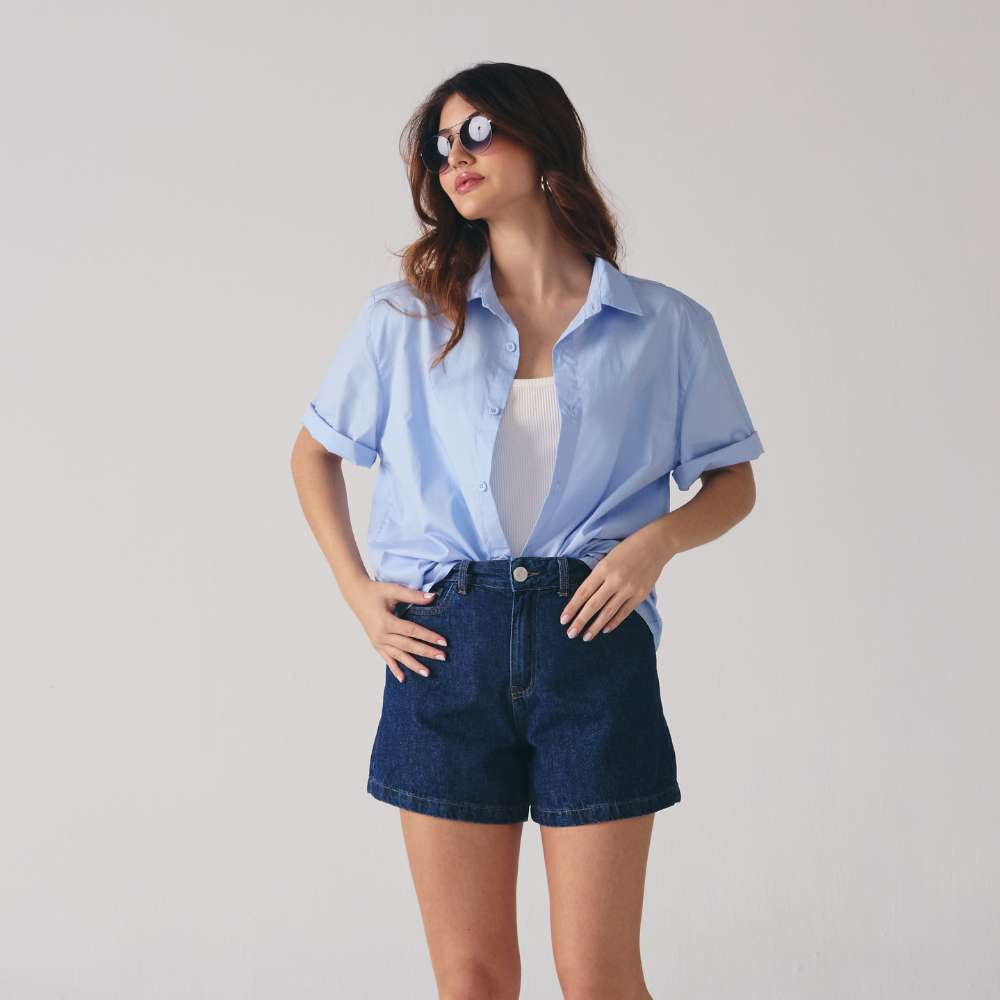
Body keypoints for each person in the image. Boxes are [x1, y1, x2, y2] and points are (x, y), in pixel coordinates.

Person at [291, 61, 764, 1000]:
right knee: (471, 980)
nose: (455, 158)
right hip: (440, 649)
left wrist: (655, 543)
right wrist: (357, 593)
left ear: (543, 141)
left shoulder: (664, 326)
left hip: (594, 647)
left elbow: (732, 482)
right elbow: (314, 455)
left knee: (598, 978)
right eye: (440, 145)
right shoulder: (404, 318)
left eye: (477, 132)